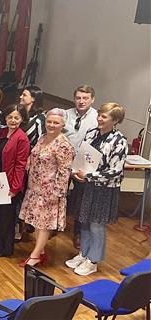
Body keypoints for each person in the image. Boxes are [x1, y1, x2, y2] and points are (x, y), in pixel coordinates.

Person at [66, 103, 128, 276]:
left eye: (104, 116)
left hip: (104, 189)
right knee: (84, 220)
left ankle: (93, 260)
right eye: (99, 115)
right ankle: (84, 253)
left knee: (96, 225)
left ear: (115, 120)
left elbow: (115, 170)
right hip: (86, 185)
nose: (99, 118)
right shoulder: (91, 133)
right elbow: (83, 156)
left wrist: (89, 176)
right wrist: (76, 171)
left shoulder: (119, 141)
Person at [18, 108, 75, 267]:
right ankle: (41, 251)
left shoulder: (64, 145)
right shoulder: (43, 137)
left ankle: (35, 255)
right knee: (36, 221)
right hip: (35, 187)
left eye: (56, 123)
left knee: (44, 224)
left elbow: (64, 171)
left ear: (63, 124)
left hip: (50, 190)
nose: (51, 125)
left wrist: (57, 193)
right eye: (49, 121)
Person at [0, 104, 30, 258]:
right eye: (10, 117)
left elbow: (20, 165)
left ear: (22, 119)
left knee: (7, 217)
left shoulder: (22, 138)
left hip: (10, 183)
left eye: (17, 117)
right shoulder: (0, 132)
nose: (13, 120)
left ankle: (6, 248)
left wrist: (15, 188)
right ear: (5, 118)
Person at [64, 85, 98, 249]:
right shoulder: (66, 114)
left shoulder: (97, 118)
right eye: (78, 98)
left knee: (80, 199)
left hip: (83, 164)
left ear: (92, 100)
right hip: (64, 161)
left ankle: (78, 232)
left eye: (85, 98)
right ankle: (55, 226)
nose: (81, 101)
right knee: (60, 194)